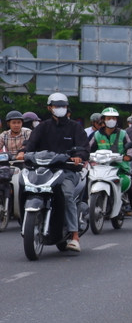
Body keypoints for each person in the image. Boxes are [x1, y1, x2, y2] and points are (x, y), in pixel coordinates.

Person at [24, 92, 89, 252]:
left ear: (67, 108)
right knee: (24, 186)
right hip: (44, 170)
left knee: (67, 195)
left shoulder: (75, 127)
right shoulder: (42, 127)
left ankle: (74, 236)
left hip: (67, 171)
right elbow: (30, 146)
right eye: (56, 106)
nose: (60, 109)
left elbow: (84, 148)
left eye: (63, 106)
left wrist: (78, 157)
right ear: (49, 108)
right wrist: (22, 153)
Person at [91, 107, 132, 221]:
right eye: (108, 118)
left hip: (119, 167)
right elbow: (89, 148)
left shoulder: (123, 134)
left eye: (113, 118)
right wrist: (85, 156)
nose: (111, 120)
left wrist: (128, 156)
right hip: (101, 166)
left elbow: (130, 148)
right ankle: (84, 209)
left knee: (131, 186)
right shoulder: (97, 135)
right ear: (103, 120)